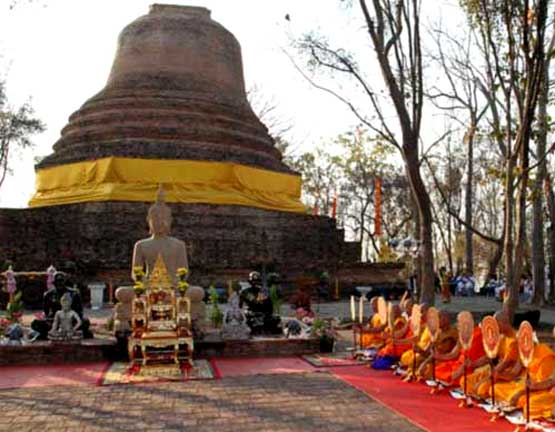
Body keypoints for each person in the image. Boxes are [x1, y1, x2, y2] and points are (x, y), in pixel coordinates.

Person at [464, 311, 518, 400]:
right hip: (494, 370)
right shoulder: (501, 337)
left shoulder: (514, 341)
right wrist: (473, 364)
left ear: (504, 323)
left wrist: (484, 380)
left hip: (505, 374)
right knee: (465, 381)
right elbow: (489, 357)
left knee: (481, 389)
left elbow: (504, 364)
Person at [31, 272, 92, 340]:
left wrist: (71, 319)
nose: (59, 283)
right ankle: (50, 333)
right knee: (36, 323)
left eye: (61, 281)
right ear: (54, 282)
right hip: (55, 320)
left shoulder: (74, 293)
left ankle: (69, 332)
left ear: (65, 281)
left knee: (85, 321)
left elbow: (79, 311)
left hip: (71, 320)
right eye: (57, 281)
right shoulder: (48, 295)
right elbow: (46, 313)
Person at [371, 304, 412, 370]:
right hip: (396, 342)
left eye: (407, 307)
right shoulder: (409, 320)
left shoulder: (401, 320)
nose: (406, 310)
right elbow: (400, 332)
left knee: (389, 351)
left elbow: (401, 334)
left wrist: (391, 337)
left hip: (406, 343)